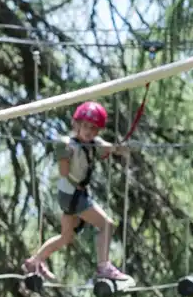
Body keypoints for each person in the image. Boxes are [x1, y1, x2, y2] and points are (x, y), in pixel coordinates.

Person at [22, 101, 129, 284]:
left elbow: (112, 149)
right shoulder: (68, 145)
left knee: (66, 236)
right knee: (106, 225)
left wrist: (126, 147)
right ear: (76, 125)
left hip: (71, 196)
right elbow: (64, 173)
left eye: (94, 128)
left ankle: (34, 262)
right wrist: (65, 154)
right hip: (73, 195)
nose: (89, 131)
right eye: (85, 126)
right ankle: (104, 267)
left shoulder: (94, 143)